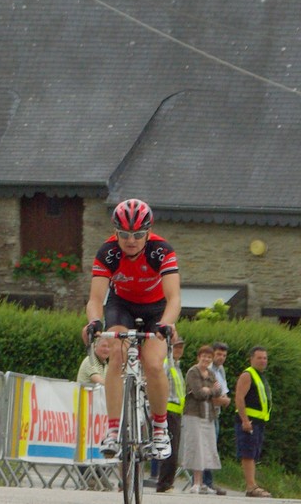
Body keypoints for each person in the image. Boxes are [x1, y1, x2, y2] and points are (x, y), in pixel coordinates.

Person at [84, 198, 180, 461]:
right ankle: (113, 430)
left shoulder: (161, 251)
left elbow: (174, 299)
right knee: (117, 355)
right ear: (116, 232)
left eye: (138, 234)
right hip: (122, 305)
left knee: (152, 363)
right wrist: (93, 322)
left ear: (148, 232)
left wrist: (167, 324)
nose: (131, 240)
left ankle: (160, 429)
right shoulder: (107, 252)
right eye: (124, 234)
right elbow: (95, 299)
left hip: (156, 309)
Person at [181, 344, 225, 495]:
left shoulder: (211, 372)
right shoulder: (193, 372)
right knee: (196, 447)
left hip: (208, 415)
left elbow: (219, 390)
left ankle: (204, 483)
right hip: (194, 414)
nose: (206, 359)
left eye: (209, 357)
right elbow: (199, 393)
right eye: (204, 356)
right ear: (198, 357)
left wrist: (210, 390)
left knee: (207, 447)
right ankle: (196, 483)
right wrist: (211, 390)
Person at [235, 346, 271, 498]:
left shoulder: (260, 376)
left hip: (259, 421)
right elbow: (239, 397)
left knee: (254, 453)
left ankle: (253, 484)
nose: (263, 361)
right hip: (249, 421)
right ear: (251, 359)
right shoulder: (248, 375)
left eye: (265, 358)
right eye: (259, 358)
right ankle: (251, 486)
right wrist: (244, 420)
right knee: (248, 453)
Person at [155, 337, 185, 493]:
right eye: (176, 347)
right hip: (168, 410)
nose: (179, 350)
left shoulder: (177, 366)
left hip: (176, 411)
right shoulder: (167, 364)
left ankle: (167, 481)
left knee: (173, 448)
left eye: (181, 347)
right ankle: (165, 483)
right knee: (170, 449)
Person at [202, 341, 230, 494]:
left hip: (216, 413)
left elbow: (222, 391)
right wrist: (223, 400)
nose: (221, 358)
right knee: (206, 448)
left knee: (212, 449)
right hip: (206, 412)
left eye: (224, 355)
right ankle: (205, 482)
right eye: (219, 354)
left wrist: (224, 399)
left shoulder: (221, 370)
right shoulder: (207, 370)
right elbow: (206, 394)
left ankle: (208, 482)